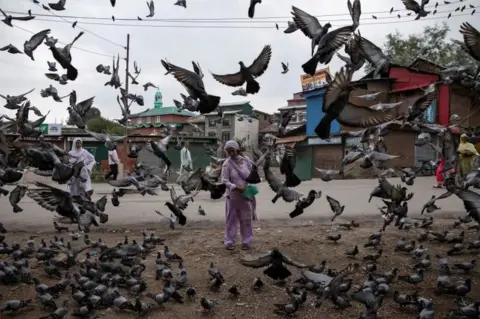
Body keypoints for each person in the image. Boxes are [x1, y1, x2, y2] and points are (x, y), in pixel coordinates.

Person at [221, 140, 257, 251]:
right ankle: (229, 242)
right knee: (231, 221)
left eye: (232, 150)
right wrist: (236, 188)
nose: (231, 153)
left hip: (246, 196)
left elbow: (253, 176)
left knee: (246, 220)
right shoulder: (226, 164)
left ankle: (247, 242)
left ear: (237, 149)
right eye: (228, 151)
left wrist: (249, 187)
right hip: (233, 198)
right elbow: (224, 181)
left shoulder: (246, 161)